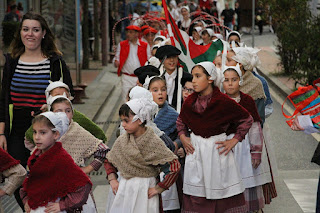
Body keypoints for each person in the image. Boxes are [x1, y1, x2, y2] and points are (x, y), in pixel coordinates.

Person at [0, 12, 74, 210]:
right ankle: (30, 208)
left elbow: (68, 93)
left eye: (35, 29)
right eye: (26, 29)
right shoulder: (12, 61)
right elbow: (3, 98)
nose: (30, 34)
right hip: (16, 128)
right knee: (17, 174)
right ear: (20, 33)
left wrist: (49, 106)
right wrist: (1, 132)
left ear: (43, 34)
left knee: (45, 176)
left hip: (46, 127)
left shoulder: (55, 61)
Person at [177, 61, 253, 212]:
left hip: (217, 150)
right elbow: (181, 121)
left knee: (221, 192)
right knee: (198, 195)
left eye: (198, 76)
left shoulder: (223, 102)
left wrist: (234, 140)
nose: (193, 80)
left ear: (210, 78)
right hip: (197, 150)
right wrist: (183, 137)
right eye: (193, 76)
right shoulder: (190, 102)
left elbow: (246, 119)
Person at [104, 98, 181, 213]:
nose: (123, 125)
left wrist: (158, 188)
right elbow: (109, 160)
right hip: (125, 188)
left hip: (145, 189)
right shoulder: (122, 141)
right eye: (122, 121)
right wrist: (112, 179)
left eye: (126, 120)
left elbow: (174, 166)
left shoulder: (153, 142)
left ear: (139, 120)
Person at [20, 112, 92, 213]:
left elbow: (83, 184)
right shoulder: (35, 156)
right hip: (37, 207)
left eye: (43, 132)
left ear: (56, 134)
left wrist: (63, 204)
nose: (37, 137)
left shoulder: (61, 158)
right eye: (35, 132)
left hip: (52, 208)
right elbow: (31, 183)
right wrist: (27, 200)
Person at [223, 64, 272, 212]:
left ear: (240, 81)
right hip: (226, 148)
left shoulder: (247, 101)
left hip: (244, 148)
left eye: (234, 79)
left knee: (246, 182)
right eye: (226, 80)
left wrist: (256, 151)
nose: (230, 83)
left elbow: (255, 128)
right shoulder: (219, 101)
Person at [24, 80, 107, 144]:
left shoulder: (77, 117)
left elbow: (100, 136)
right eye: (57, 95)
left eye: (65, 95)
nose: (62, 98)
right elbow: (29, 136)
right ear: (48, 97)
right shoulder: (44, 118)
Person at [113, 25, 151, 100]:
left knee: (140, 99)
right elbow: (117, 57)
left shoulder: (145, 45)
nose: (128, 34)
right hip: (126, 77)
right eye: (127, 32)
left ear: (136, 34)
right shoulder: (122, 45)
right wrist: (116, 62)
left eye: (131, 32)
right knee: (126, 98)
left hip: (140, 78)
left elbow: (149, 60)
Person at [155, 45, 189, 112]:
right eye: (168, 57)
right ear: (160, 60)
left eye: (174, 57)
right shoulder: (156, 77)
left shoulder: (186, 77)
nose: (172, 60)